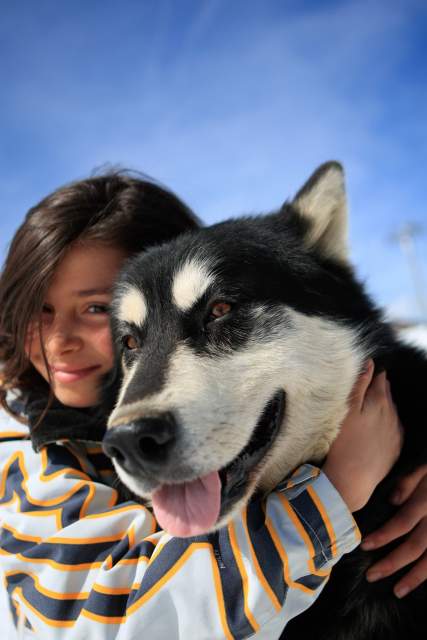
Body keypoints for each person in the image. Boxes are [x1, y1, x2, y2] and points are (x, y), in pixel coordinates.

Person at [0, 172, 425, 639]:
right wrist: (338, 492)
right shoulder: (33, 471)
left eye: (97, 307)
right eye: (133, 337)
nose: (58, 340)